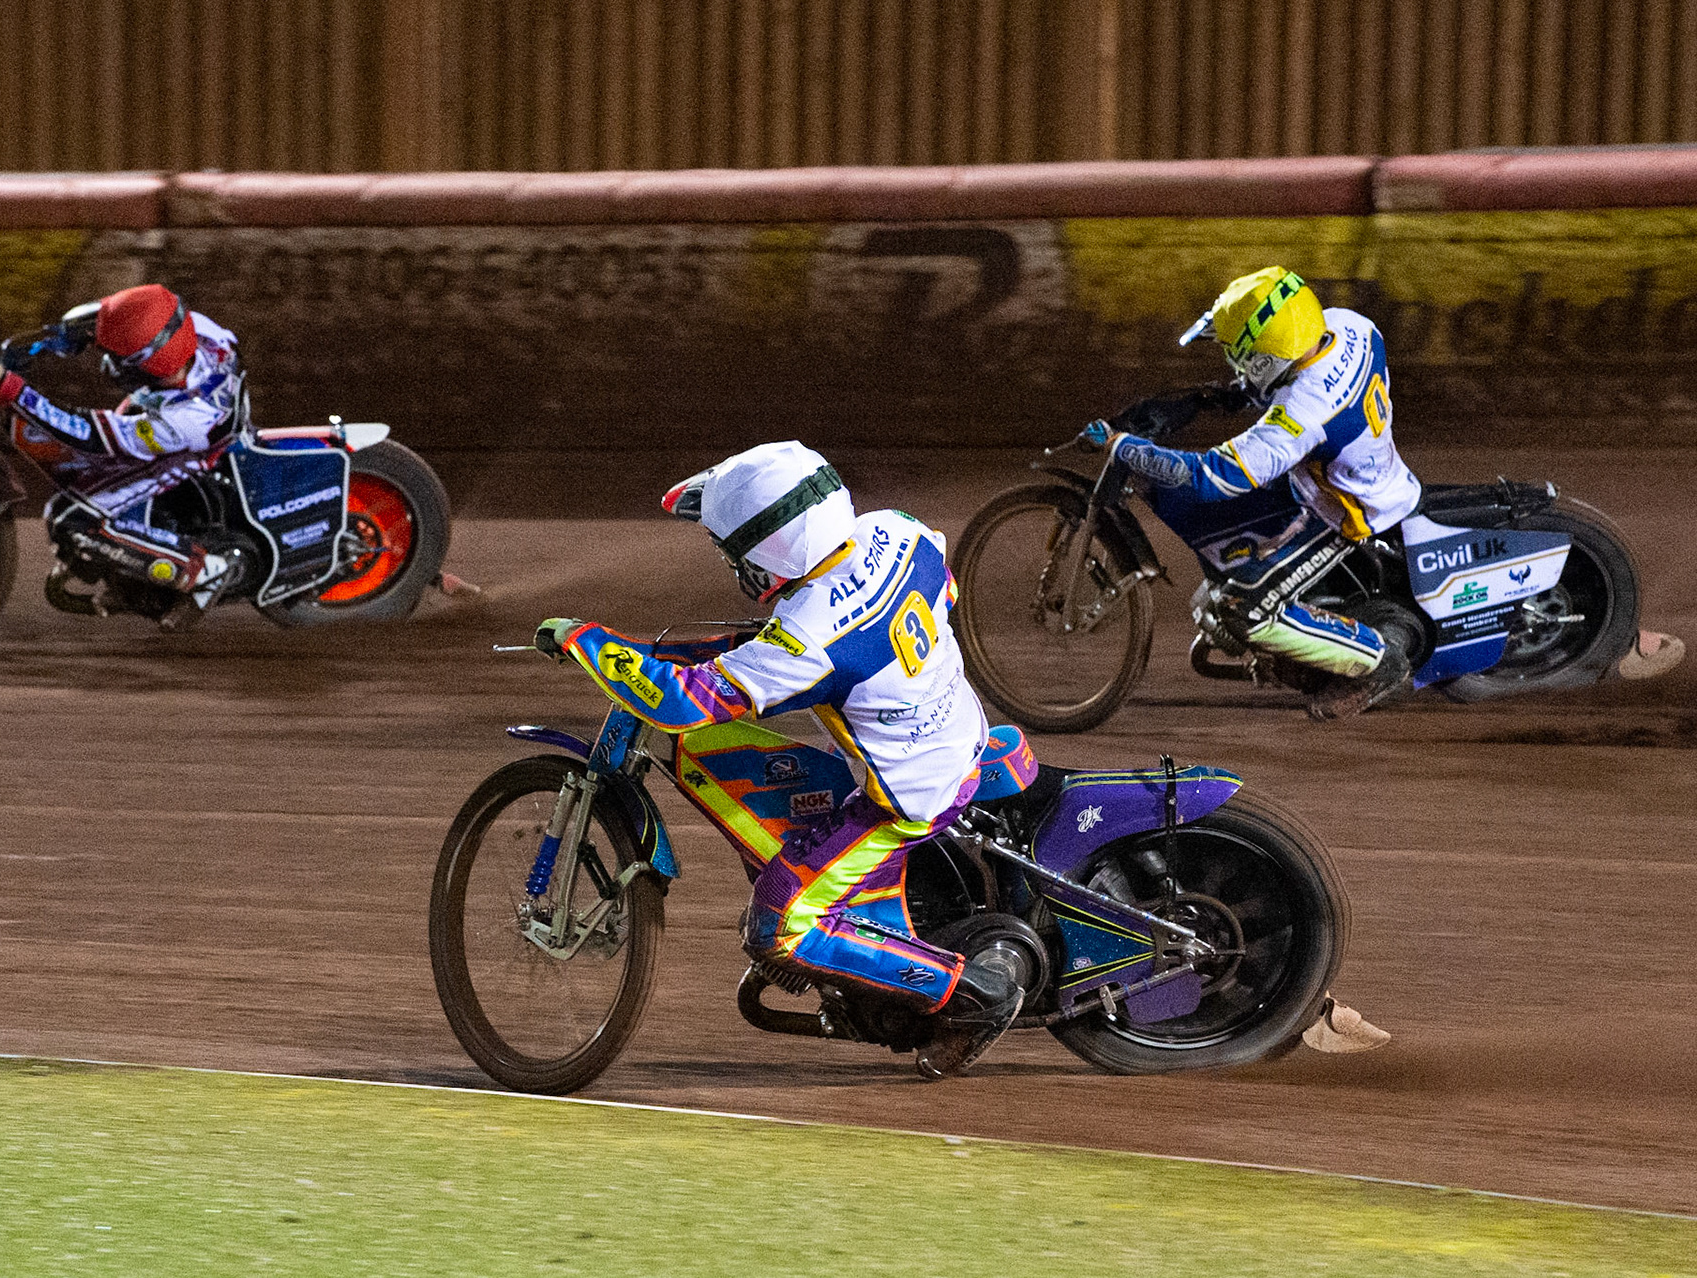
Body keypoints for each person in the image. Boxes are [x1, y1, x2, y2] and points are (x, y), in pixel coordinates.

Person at [534, 441, 1025, 1079]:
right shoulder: (895, 530)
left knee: (777, 924)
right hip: (949, 725)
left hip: (910, 794)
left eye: (732, 551)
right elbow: (933, 593)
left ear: (771, 551)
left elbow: (687, 705)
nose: (728, 563)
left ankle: (970, 996)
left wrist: (587, 641)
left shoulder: (810, 638)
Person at [1079, 267, 1425, 719]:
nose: (1233, 363)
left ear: (1265, 358)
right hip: (1341, 473)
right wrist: (1223, 397)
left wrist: (1124, 447)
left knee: (1245, 609)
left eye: (1238, 355)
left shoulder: (1300, 415)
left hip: (1341, 510)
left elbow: (1213, 476)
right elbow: (1288, 379)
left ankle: (1379, 662)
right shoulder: (1348, 324)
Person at [0, 283, 247, 628]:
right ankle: (129, 569)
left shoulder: (182, 422)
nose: (109, 363)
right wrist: (52, 340)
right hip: (190, 403)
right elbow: (119, 317)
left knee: (72, 520)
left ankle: (206, 570)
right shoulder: (188, 327)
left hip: (189, 447)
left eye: (119, 359)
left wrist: (14, 389)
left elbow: (85, 433)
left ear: (143, 367)